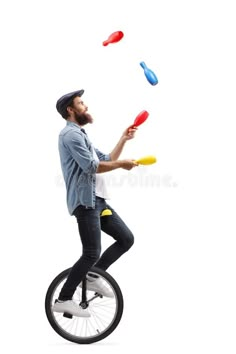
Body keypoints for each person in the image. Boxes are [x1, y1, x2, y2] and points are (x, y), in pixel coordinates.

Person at [52, 89, 138, 317]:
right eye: (81, 103)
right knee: (91, 252)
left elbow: (105, 160)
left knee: (126, 239)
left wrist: (123, 139)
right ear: (71, 110)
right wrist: (121, 165)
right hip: (85, 203)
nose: (86, 106)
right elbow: (92, 167)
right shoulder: (70, 136)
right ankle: (63, 298)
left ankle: (93, 275)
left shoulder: (80, 134)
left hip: (98, 201)